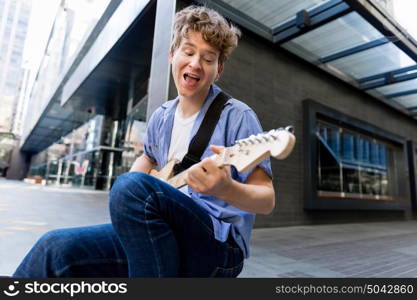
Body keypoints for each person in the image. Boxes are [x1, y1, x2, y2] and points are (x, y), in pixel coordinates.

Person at [13, 5, 275, 278]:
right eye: (188, 51)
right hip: (160, 230)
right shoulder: (161, 117)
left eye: (208, 59)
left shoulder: (239, 116)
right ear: (172, 55)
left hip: (218, 248)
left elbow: (266, 200)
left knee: (130, 187)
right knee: (54, 247)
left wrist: (226, 188)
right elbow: (148, 159)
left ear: (218, 70)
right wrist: (128, 198)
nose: (196, 63)